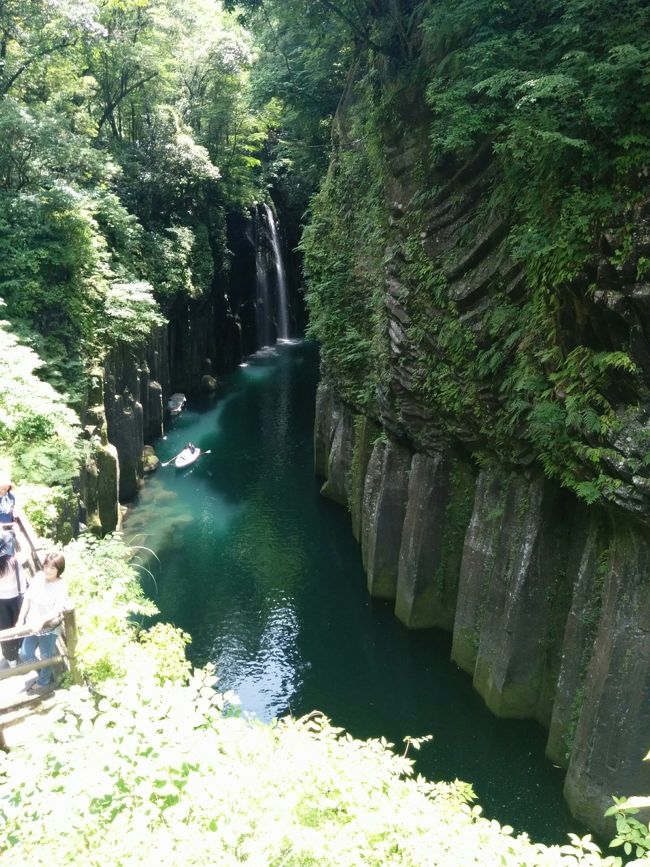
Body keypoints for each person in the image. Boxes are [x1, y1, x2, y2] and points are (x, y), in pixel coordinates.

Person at [18, 552, 70, 693]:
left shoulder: (61, 586)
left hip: (49, 628)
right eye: (46, 566)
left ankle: (43, 681)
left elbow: (57, 609)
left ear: (59, 570)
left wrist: (42, 621)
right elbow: (28, 598)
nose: (47, 570)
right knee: (25, 654)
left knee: (45, 656)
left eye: (52, 568)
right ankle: (44, 673)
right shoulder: (39, 577)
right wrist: (20, 619)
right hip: (32, 624)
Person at [0, 530, 26, 666]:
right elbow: (22, 580)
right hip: (15, 597)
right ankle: (19, 648)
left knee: (4, 627)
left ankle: (11, 658)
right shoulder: (14, 561)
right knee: (17, 623)